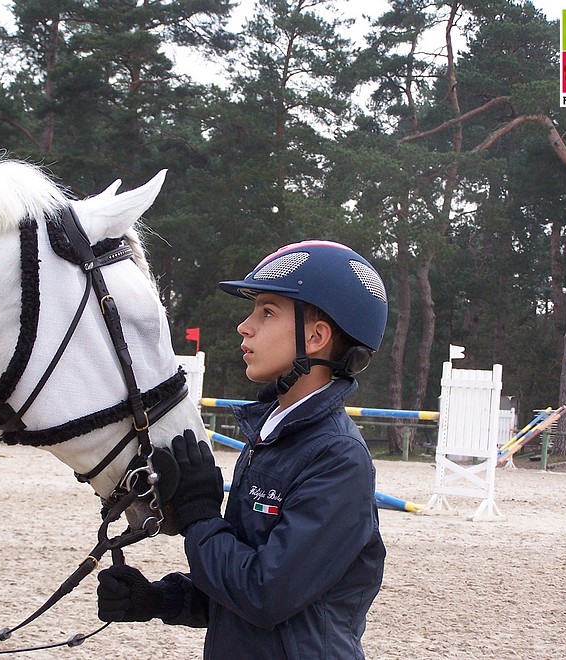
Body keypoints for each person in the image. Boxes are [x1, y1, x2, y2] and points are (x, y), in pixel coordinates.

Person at [97, 240, 388, 659]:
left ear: (316, 336)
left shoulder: (338, 458)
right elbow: (240, 583)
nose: (244, 326)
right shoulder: (273, 436)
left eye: (266, 312)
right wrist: (160, 599)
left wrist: (199, 519)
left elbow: (265, 594)